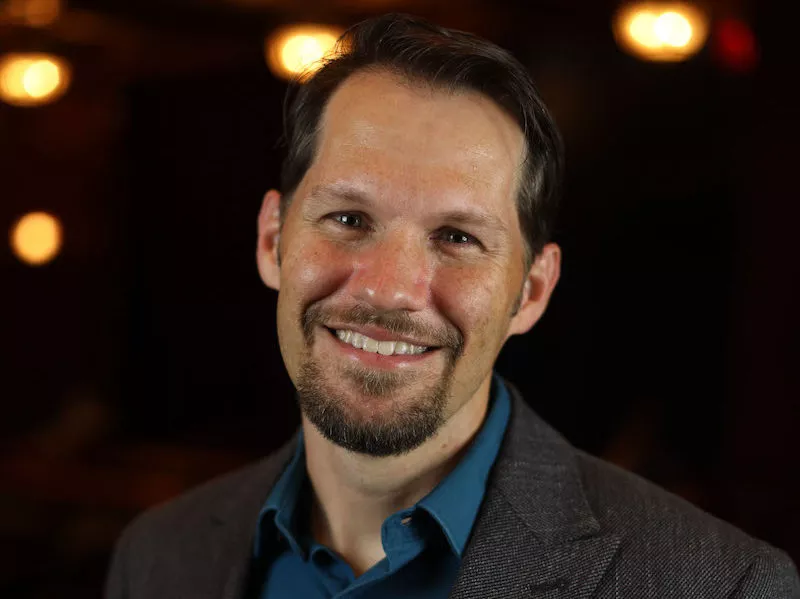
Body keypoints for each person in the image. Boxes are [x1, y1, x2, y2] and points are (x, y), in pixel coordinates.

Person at [105, 13, 800, 599]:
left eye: (458, 236)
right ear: (271, 240)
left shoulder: (715, 583)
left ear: (531, 291)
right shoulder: (157, 559)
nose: (387, 288)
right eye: (349, 218)